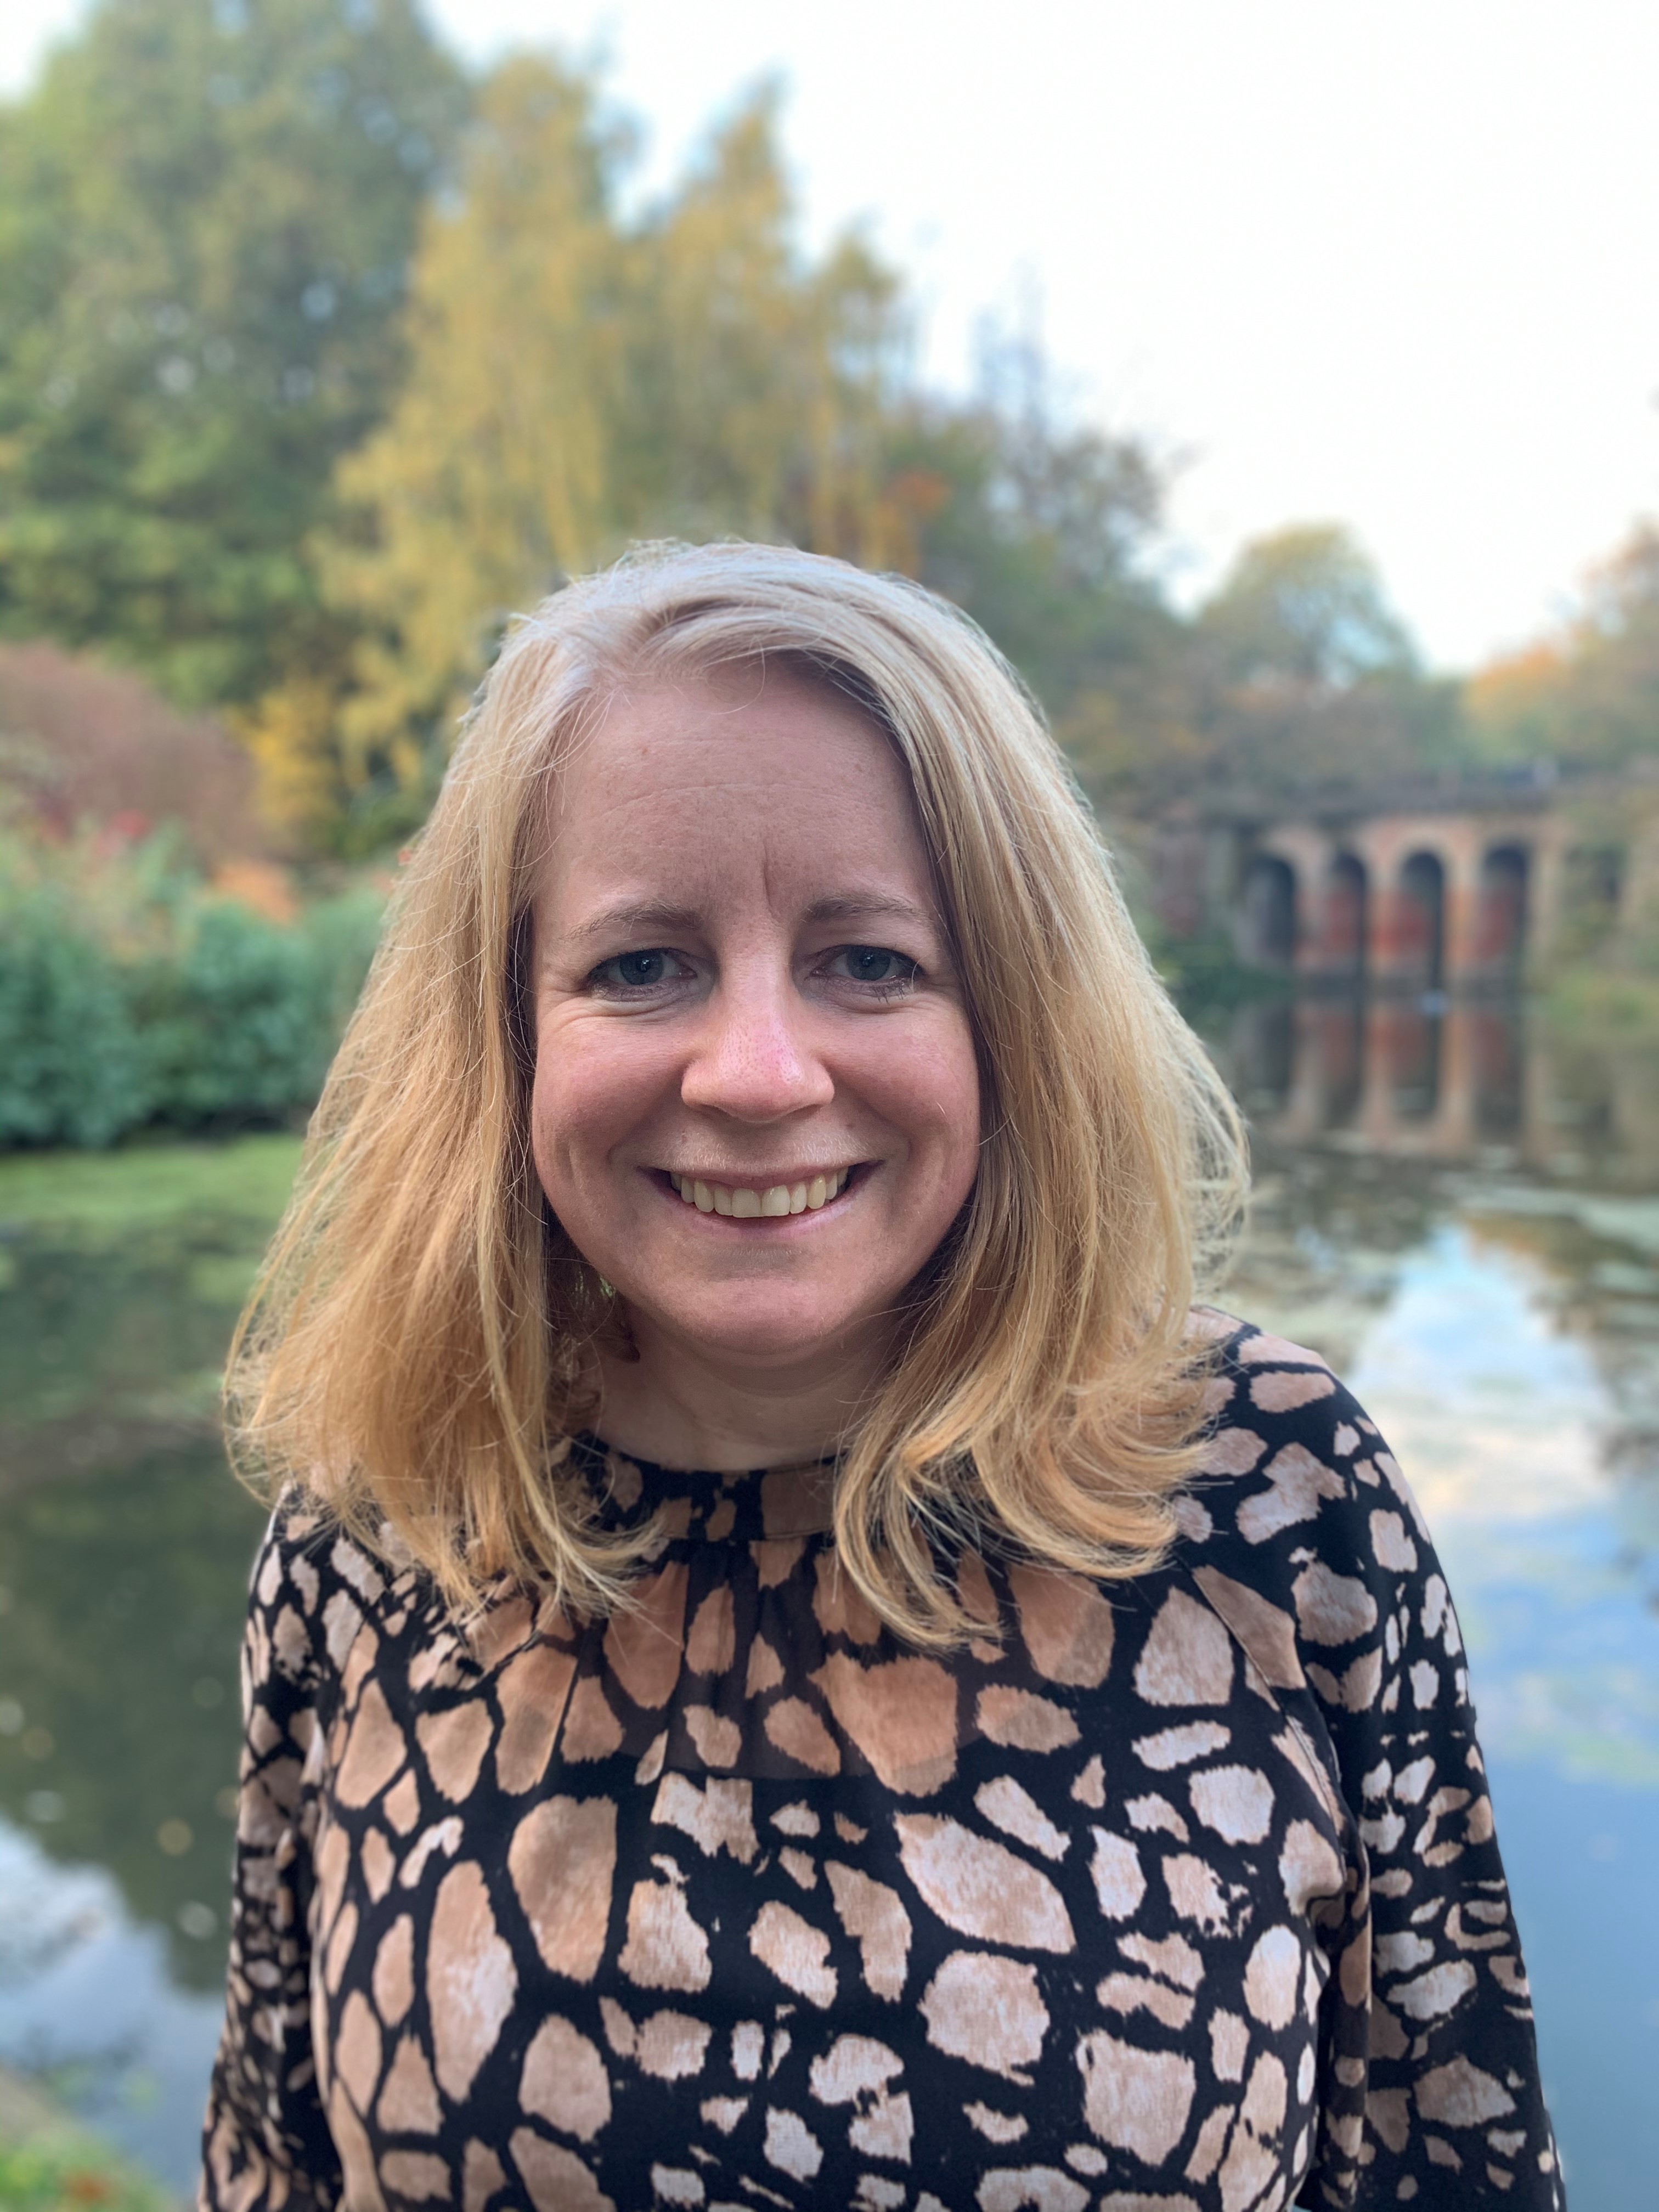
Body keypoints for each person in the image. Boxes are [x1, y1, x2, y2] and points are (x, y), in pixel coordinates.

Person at [201, 541, 1560, 2212]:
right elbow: (268, 2160)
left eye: (870, 961)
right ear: (508, 1031)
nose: (760, 1074)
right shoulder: (381, 1519)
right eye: (641, 965)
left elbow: (1452, 2148)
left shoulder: (1269, 1495)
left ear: (1013, 1024)